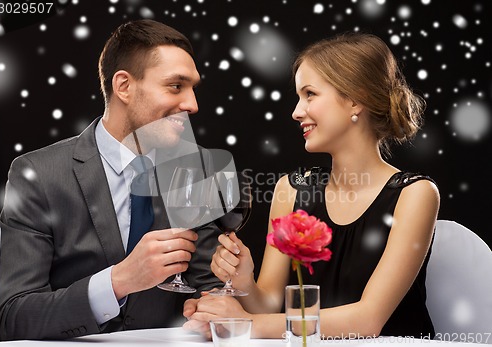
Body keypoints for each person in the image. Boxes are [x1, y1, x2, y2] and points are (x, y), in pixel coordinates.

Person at [184, 32, 440, 339]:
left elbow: (367, 320)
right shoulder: (290, 190)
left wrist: (244, 324)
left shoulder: (415, 194)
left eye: (310, 94)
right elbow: (268, 304)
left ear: (355, 99)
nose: (296, 111)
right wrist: (244, 283)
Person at [0, 19, 222, 341]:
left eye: (192, 89)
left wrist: (212, 306)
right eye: (176, 86)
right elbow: (13, 317)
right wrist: (118, 281)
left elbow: (207, 285)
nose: (192, 104)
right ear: (124, 86)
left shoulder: (194, 169)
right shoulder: (38, 175)